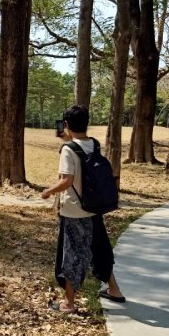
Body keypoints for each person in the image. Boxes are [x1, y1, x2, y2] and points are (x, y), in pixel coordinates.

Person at [41, 105, 125, 312]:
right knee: (99, 249)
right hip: (94, 208)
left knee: (72, 255)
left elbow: (66, 181)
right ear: (86, 123)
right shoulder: (94, 145)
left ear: (66, 125)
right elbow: (82, 155)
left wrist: (48, 192)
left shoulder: (68, 150)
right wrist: (68, 140)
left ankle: (68, 303)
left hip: (74, 212)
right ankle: (114, 290)